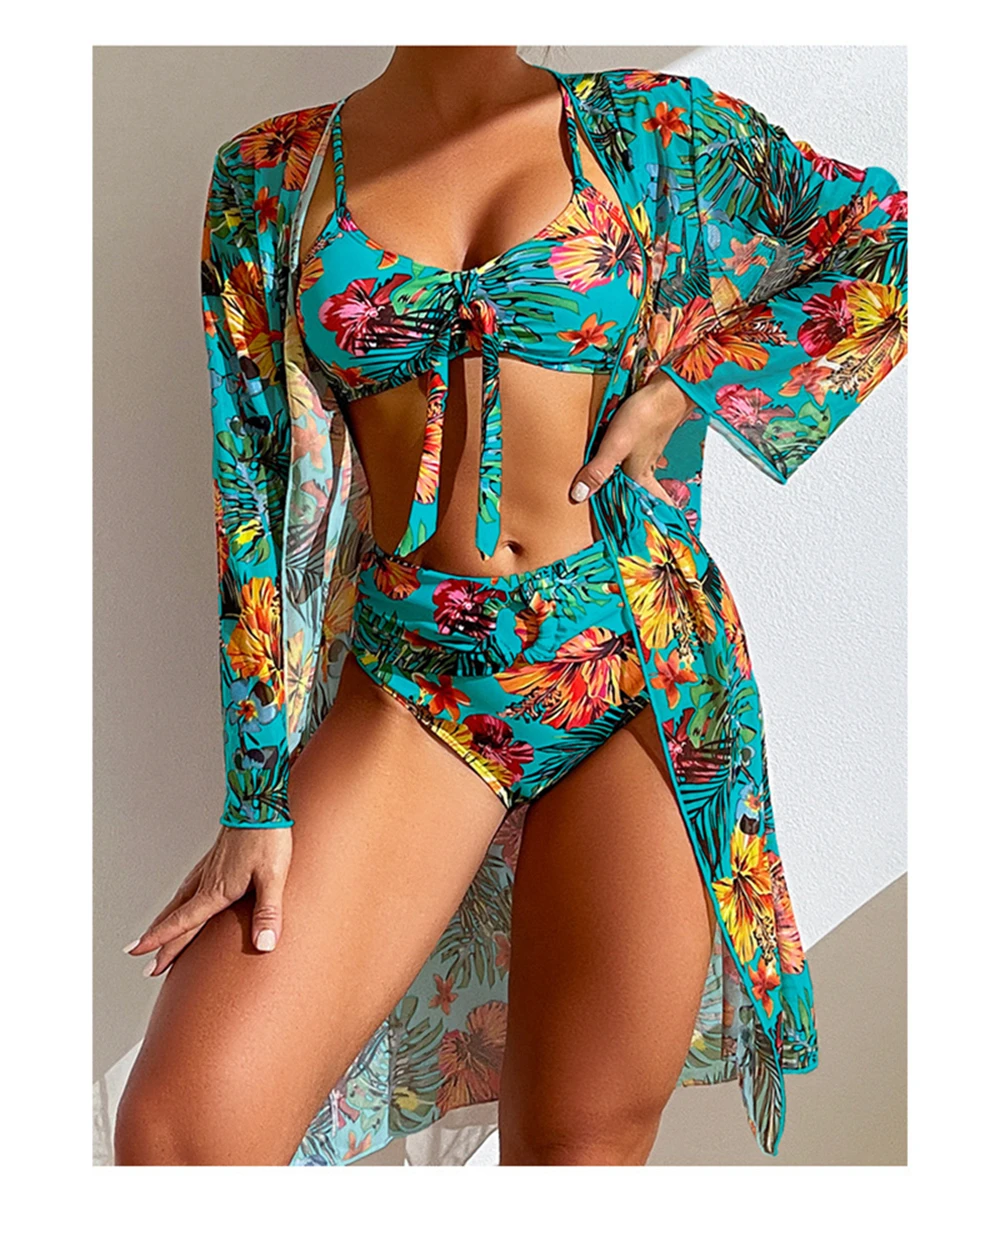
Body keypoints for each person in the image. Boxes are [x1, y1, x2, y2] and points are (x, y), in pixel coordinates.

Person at [114, 46, 907, 1166]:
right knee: (182, 1138)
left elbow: (894, 241)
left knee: (577, 1153)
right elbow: (247, 489)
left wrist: (690, 383)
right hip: (414, 683)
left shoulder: (650, 127)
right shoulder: (271, 174)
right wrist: (256, 800)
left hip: (641, 671)